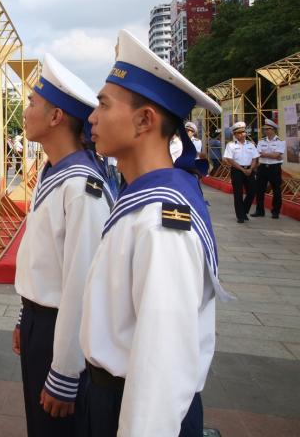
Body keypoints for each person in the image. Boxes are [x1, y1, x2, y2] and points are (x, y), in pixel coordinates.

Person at [80, 29, 231, 437]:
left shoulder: (162, 219)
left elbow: (161, 369)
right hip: (113, 398)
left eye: (103, 105)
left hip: (136, 410)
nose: (92, 117)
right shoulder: (144, 198)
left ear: (145, 120)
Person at [12, 54, 115, 437]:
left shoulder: (81, 188)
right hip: (42, 321)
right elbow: (46, 260)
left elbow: (81, 287)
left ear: (56, 117)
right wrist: (26, 316)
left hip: (63, 329)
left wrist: (65, 372)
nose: (24, 112)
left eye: (32, 104)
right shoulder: (54, 172)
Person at [223, 121, 259, 223]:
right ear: (234, 134)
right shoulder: (231, 145)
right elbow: (229, 160)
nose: (242, 134)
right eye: (239, 133)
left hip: (249, 170)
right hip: (237, 170)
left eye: (243, 132)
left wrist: (251, 169)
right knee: (238, 194)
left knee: (252, 192)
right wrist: (242, 169)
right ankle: (240, 216)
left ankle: (244, 211)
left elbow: (255, 158)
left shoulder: (251, 145)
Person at [254, 118, 284, 219]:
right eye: (265, 129)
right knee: (259, 189)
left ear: (274, 130)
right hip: (262, 167)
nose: (266, 131)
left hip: (274, 168)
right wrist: (271, 155)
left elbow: (276, 156)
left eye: (268, 129)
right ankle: (259, 210)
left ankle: (275, 211)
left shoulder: (280, 142)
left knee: (276, 189)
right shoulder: (261, 141)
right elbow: (258, 154)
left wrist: (265, 154)